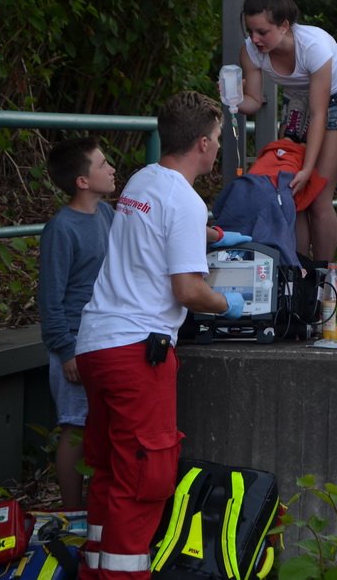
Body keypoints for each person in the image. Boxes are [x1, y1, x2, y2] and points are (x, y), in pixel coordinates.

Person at [73, 91, 247, 580]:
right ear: (200, 144)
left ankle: (95, 570)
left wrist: (210, 236)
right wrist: (227, 302)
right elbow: (189, 289)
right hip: (137, 353)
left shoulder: (141, 180)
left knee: (109, 472)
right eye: (215, 140)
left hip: (97, 345)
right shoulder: (186, 201)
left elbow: (152, 235)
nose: (216, 148)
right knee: (143, 481)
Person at [237, 0, 337, 263]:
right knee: (293, 195)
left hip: (336, 100)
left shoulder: (313, 46)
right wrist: (232, 99)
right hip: (298, 101)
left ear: (284, 26)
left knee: (318, 193)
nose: (255, 39)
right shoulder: (251, 51)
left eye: (262, 32)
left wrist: (307, 168)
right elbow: (253, 102)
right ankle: (298, 272)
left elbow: (319, 114)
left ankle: (324, 275)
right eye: (250, 31)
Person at [38, 137, 117, 509]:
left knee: (102, 424)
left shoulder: (106, 215)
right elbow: (51, 298)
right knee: (75, 427)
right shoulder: (61, 228)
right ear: (82, 181)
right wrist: (66, 350)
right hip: (73, 341)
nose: (112, 169)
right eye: (102, 165)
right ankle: (71, 514)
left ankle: (97, 509)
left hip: (105, 336)